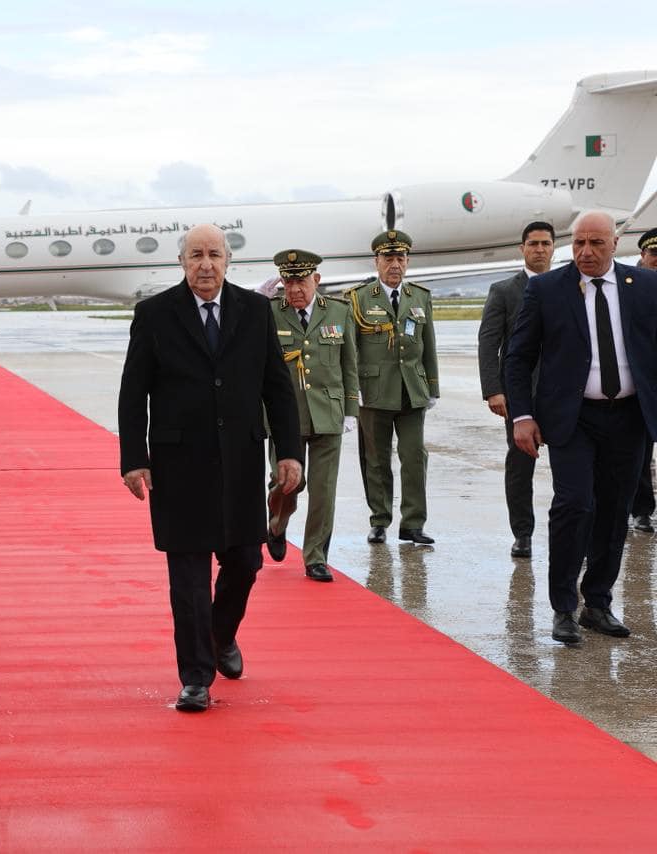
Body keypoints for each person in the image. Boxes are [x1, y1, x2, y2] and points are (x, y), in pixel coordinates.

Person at [118, 223, 301, 713]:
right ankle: (196, 677)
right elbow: (133, 392)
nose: (205, 264)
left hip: (241, 462)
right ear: (182, 262)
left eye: (214, 254)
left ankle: (221, 636)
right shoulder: (154, 314)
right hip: (180, 466)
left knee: (246, 562)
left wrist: (289, 452)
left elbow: (277, 387)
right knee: (189, 581)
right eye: (196, 254)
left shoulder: (255, 310)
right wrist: (135, 459)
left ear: (228, 261)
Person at [504, 210, 657, 644]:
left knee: (614, 510)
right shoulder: (547, 289)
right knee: (574, 505)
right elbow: (518, 358)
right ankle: (564, 608)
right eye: (579, 244)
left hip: (629, 419)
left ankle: (598, 602)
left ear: (615, 243)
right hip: (572, 418)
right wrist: (523, 415)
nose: (586, 252)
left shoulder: (645, 287)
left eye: (596, 244)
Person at [265, 249, 358, 582]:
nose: (294, 290)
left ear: (316, 280)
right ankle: (276, 524)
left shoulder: (338, 311)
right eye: (288, 282)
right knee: (288, 483)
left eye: (301, 282)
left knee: (323, 489)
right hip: (284, 417)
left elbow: (349, 364)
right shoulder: (269, 313)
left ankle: (315, 557)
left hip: (328, 413)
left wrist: (351, 409)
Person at [347, 230, 439, 545]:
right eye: (388, 258)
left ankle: (413, 523)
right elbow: (350, 349)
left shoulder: (420, 297)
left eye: (400, 258)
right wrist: (352, 389)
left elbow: (429, 346)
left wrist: (433, 387)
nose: (395, 265)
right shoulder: (358, 299)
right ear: (377, 261)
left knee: (414, 456)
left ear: (407, 261)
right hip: (373, 392)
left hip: (412, 390)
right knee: (376, 459)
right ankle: (379, 520)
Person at [477, 221, 556, 558]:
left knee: (574, 464)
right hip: (520, 394)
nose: (539, 249)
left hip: (563, 392)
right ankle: (522, 533)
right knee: (520, 465)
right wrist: (493, 390)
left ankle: (573, 531)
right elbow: (488, 341)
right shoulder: (504, 290)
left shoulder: (570, 286)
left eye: (545, 244)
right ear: (522, 248)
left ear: (554, 248)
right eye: (533, 243)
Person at [629, 226, 657, 533]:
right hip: (645, 382)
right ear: (643, 255)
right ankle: (642, 510)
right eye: (654, 254)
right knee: (640, 452)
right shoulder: (630, 288)